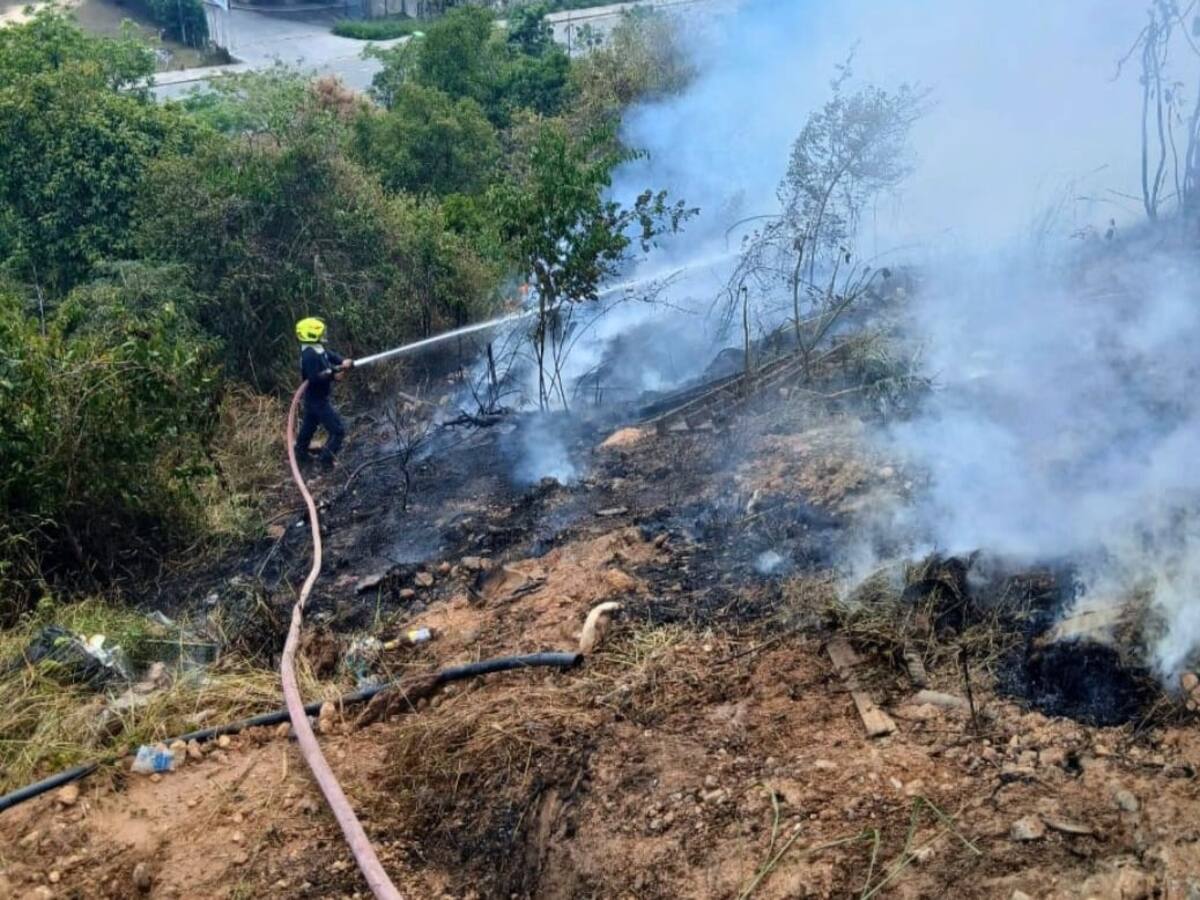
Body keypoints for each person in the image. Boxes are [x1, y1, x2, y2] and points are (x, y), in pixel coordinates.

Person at [294, 317, 354, 468]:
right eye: (321, 332)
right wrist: (334, 375)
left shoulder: (317, 348)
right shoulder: (309, 355)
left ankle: (300, 454)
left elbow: (330, 356)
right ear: (311, 334)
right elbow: (314, 377)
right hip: (317, 401)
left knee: (309, 427)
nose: (324, 334)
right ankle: (325, 461)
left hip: (315, 399)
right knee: (338, 431)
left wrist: (343, 361)